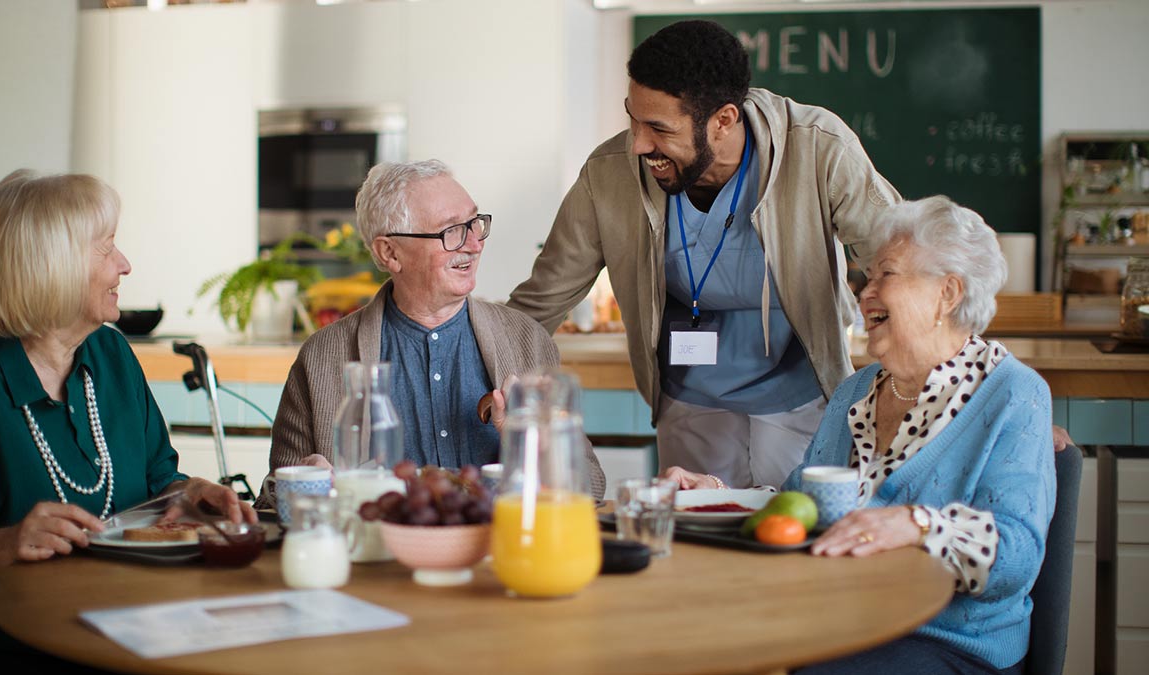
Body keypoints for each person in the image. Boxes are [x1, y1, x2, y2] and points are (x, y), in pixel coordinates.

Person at [507, 20, 900, 490]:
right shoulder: (609, 175)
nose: (638, 144)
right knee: (699, 536)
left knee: (793, 534)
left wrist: (904, 373)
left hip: (800, 395)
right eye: (632, 118)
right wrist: (492, 374)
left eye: (658, 127)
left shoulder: (817, 147)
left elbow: (900, 256)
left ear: (724, 121)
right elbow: (540, 301)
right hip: (690, 397)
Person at [689, 196, 1054, 673]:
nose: (864, 292)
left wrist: (918, 525)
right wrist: (715, 498)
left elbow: (1017, 557)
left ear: (948, 293)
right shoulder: (855, 391)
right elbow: (802, 504)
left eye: (887, 274)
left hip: (948, 640)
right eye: (868, 276)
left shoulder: (1013, 395)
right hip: (842, 619)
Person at [0, 170, 255, 658]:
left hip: (136, 625)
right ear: (53, 263)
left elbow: (159, 480)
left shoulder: (110, 355)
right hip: (18, 645)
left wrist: (189, 491)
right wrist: (9, 542)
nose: (125, 264)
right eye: (107, 246)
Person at [264, 160, 606, 500]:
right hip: (378, 552)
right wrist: (302, 486)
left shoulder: (527, 340)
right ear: (390, 253)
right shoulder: (322, 356)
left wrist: (529, 443)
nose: (474, 243)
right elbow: (270, 501)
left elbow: (589, 487)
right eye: (451, 231)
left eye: (474, 223)